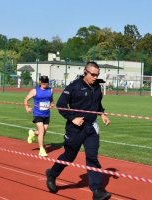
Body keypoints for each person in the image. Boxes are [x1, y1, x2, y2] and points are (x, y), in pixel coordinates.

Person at [45, 61, 111, 200]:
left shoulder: (97, 86)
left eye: (97, 75)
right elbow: (61, 105)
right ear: (85, 73)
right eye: (92, 74)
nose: (95, 77)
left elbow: (97, 104)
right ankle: (52, 174)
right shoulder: (74, 86)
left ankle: (97, 191)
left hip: (91, 128)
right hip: (75, 129)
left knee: (92, 157)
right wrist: (72, 118)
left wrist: (102, 114)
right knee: (69, 155)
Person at [24, 75, 54, 157]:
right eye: (43, 82)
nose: (44, 83)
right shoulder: (35, 90)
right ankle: (41, 149)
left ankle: (33, 133)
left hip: (47, 114)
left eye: (46, 82)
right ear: (40, 82)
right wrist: (27, 108)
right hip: (37, 113)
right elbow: (26, 99)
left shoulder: (51, 90)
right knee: (41, 131)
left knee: (43, 132)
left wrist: (52, 103)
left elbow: (50, 99)